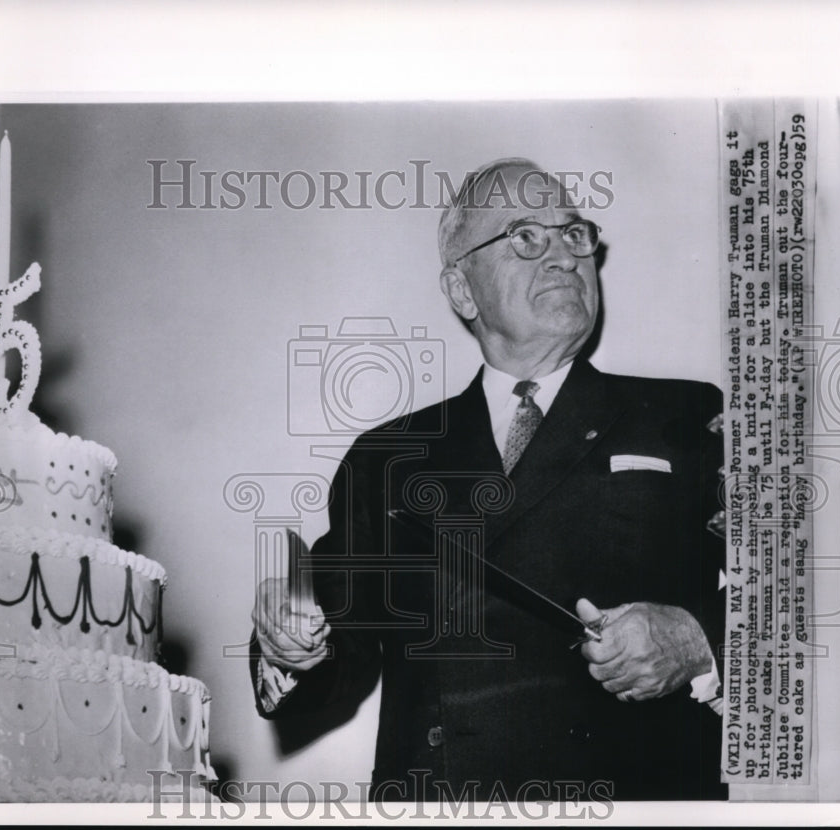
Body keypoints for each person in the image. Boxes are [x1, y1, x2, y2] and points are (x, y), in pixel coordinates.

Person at [250, 158, 726, 802]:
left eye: (573, 233)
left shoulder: (691, 416)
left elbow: (797, 609)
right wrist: (292, 641)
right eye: (526, 237)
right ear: (462, 290)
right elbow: (335, 643)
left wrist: (697, 639)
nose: (563, 255)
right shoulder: (388, 456)